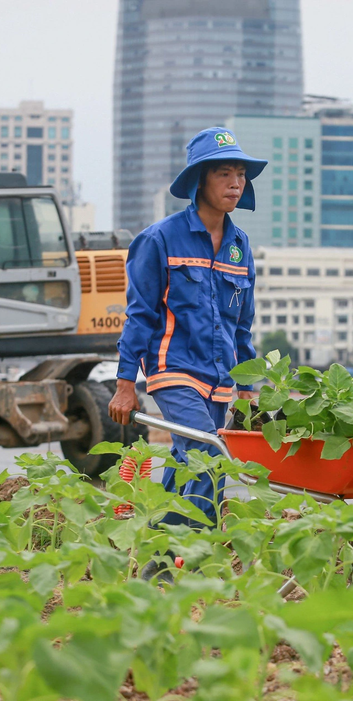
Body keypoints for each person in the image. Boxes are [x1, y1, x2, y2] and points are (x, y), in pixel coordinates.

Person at [108, 126, 263, 534]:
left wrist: (248, 384)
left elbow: (242, 323)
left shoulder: (239, 245)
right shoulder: (159, 239)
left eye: (241, 175)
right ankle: (199, 549)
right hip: (173, 369)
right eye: (223, 174)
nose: (235, 183)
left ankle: (160, 555)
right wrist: (126, 383)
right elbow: (139, 314)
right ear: (200, 180)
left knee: (185, 461)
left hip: (219, 379)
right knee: (208, 451)